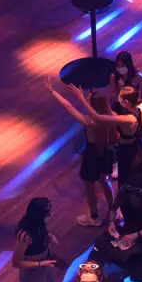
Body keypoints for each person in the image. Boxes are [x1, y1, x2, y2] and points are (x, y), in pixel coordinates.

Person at [45, 79, 116, 227]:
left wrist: (52, 91)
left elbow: (68, 106)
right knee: (105, 180)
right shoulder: (112, 117)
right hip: (106, 152)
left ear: (92, 106)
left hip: (92, 155)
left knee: (89, 186)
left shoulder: (89, 122)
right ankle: (114, 208)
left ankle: (94, 217)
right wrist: (85, 97)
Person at [70, 85, 142, 185]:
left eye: (120, 98)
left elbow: (97, 117)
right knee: (141, 182)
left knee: (128, 184)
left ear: (126, 102)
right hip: (140, 149)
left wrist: (81, 98)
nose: (118, 100)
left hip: (129, 154)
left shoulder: (128, 119)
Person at [13, 197, 62, 282]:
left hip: (46, 264)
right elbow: (16, 262)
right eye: (47, 213)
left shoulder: (39, 223)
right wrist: (40, 264)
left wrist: (49, 236)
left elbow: (41, 233)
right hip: (33, 272)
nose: (50, 215)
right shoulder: (25, 235)